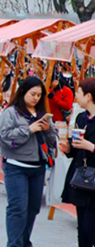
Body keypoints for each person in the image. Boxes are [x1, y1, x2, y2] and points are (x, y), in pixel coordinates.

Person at [0, 77, 57, 247]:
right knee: (18, 209)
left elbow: (53, 141)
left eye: (39, 95)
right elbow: (4, 138)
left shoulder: (42, 114)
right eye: (33, 94)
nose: (36, 98)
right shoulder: (11, 112)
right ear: (23, 91)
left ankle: (24, 242)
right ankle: (14, 244)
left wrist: (47, 129)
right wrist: (28, 130)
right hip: (16, 167)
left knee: (33, 209)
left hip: (38, 167)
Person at [60, 78, 95, 247]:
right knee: (83, 228)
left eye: (79, 94)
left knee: (91, 226)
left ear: (88, 96)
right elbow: (77, 147)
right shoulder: (81, 118)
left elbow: (88, 146)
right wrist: (68, 148)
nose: (76, 98)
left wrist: (92, 147)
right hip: (81, 178)